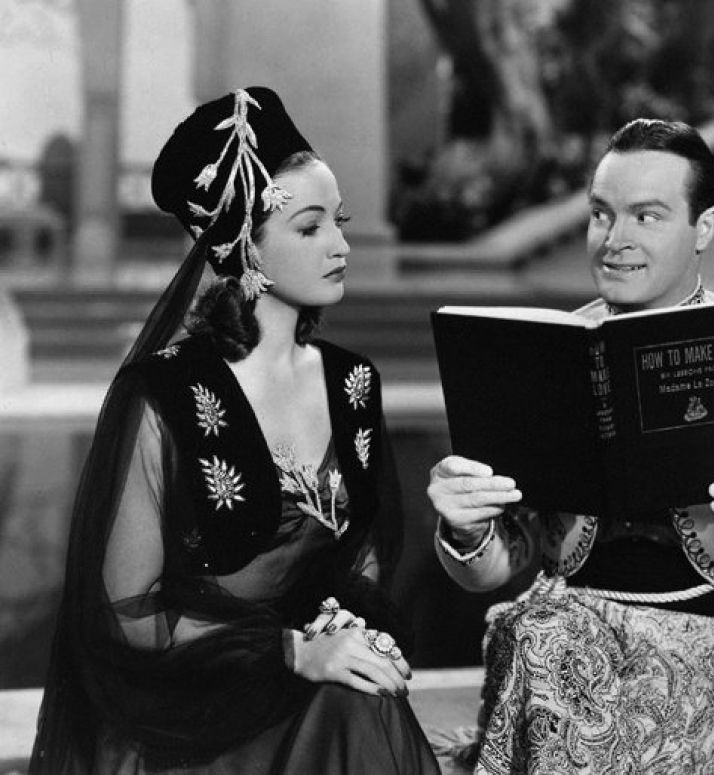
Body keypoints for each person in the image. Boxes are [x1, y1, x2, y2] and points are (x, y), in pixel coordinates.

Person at [427, 118, 714, 774]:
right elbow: (498, 565)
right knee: (543, 635)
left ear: (704, 226)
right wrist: (466, 527)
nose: (616, 240)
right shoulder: (542, 359)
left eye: (646, 216)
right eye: (601, 214)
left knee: (545, 642)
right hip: (563, 651)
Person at [31, 87, 440, 774]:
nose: (342, 245)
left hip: (311, 690)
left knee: (363, 698)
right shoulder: (162, 396)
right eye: (310, 228)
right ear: (244, 247)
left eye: (339, 221)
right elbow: (126, 614)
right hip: (191, 710)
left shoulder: (353, 382)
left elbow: (362, 558)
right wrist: (290, 650)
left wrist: (345, 633)